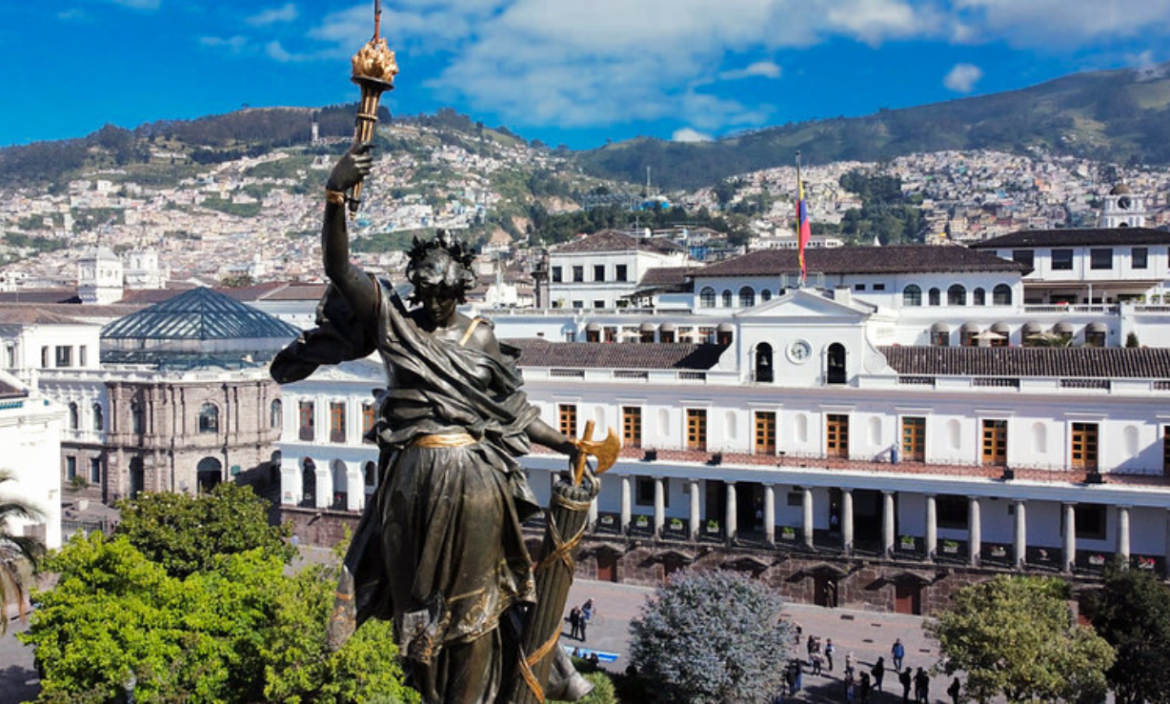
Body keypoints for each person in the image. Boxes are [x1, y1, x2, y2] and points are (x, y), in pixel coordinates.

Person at [273, 143, 585, 704]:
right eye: (425, 291)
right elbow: (338, 267)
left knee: (479, 604)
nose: (434, 303)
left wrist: (568, 445)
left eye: (445, 294)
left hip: (473, 480)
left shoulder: (480, 337)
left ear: (462, 289)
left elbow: (515, 412)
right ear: (414, 285)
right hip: (412, 481)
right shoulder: (394, 323)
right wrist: (334, 194)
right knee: (416, 608)